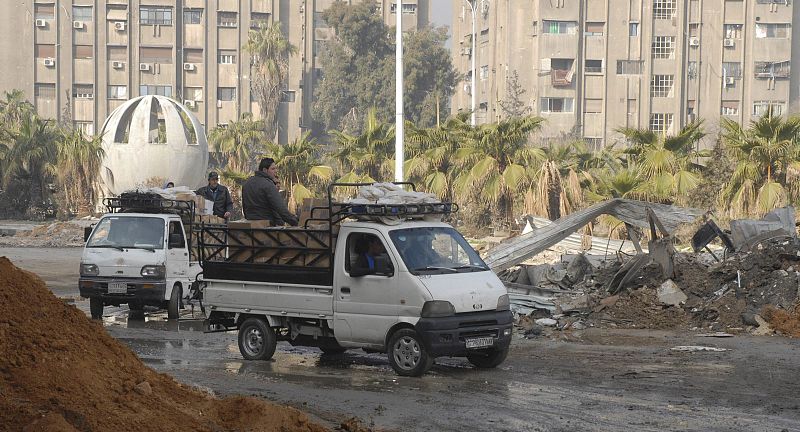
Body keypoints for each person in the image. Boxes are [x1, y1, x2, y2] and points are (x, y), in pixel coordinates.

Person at [242, 157, 298, 226]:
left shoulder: (247, 183)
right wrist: (295, 222)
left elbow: (244, 206)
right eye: (273, 169)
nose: (276, 171)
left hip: (250, 224)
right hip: (267, 225)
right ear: (265, 170)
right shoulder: (268, 184)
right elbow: (280, 208)